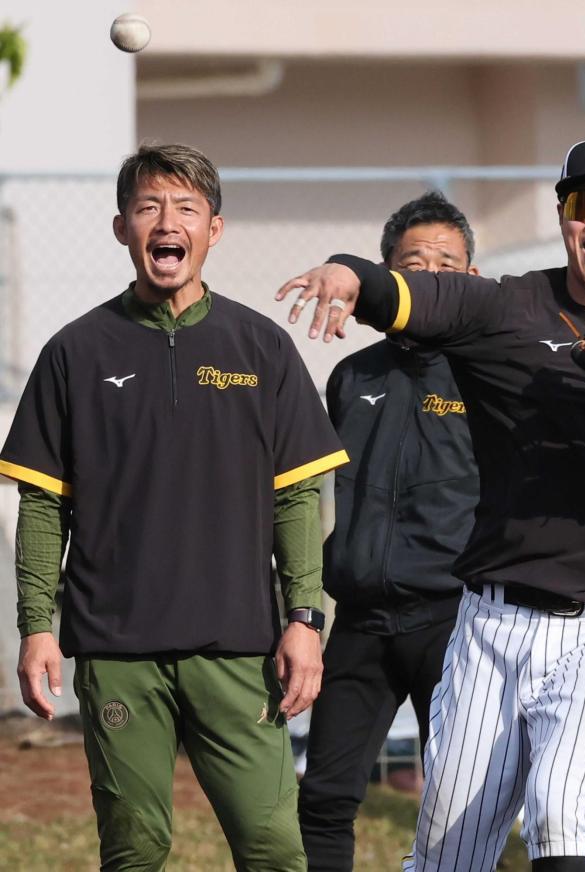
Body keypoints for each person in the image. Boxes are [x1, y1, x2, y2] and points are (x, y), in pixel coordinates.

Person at [276, 135, 585, 872]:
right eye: (584, 205)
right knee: (449, 855)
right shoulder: (505, 308)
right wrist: (352, 274)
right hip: (492, 621)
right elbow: (414, 294)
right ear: (564, 216)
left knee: (561, 817)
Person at [0, 143, 347, 871]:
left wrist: (304, 619)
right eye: (149, 206)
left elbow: (297, 501)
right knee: (135, 851)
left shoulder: (262, 347)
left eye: (186, 207)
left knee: (274, 849)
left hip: (239, 649)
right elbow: (41, 508)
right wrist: (36, 628)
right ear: (123, 227)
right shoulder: (75, 352)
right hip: (117, 650)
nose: (168, 221)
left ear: (212, 230)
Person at [297, 191, 481, 871]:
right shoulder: (351, 377)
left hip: (454, 622)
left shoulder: (489, 374)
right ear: (386, 274)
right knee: (323, 798)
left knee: (464, 805)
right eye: (414, 261)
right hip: (363, 621)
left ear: (471, 279)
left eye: (448, 263)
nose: (431, 273)